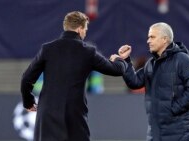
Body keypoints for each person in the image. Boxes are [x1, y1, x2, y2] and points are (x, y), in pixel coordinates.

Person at [20, 11, 127, 141]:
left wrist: (28, 102)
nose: (85, 32)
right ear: (79, 29)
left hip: (47, 115)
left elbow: (26, 79)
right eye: (85, 29)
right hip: (74, 117)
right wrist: (120, 59)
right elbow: (117, 70)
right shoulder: (88, 52)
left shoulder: (47, 49)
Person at [118, 22, 189, 141]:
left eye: (152, 37)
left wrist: (173, 108)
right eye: (148, 37)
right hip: (155, 133)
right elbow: (134, 82)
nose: (148, 41)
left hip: (180, 134)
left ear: (164, 39)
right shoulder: (151, 64)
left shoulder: (182, 59)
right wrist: (126, 60)